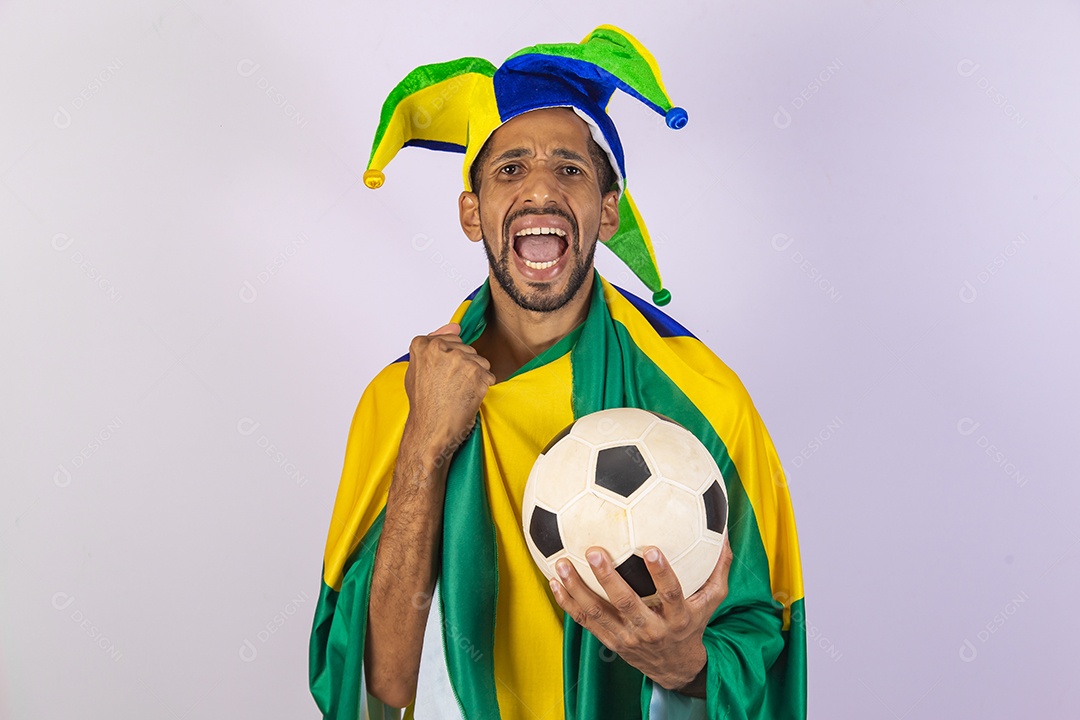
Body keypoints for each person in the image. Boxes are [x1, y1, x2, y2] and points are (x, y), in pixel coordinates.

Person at [309, 26, 806, 720]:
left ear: (608, 211)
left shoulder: (703, 398)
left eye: (569, 169)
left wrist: (685, 667)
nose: (540, 190)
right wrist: (425, 444)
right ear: (471, 211)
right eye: (510, 168)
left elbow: (767, 641)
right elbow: (374, 695)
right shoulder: (398, 401)